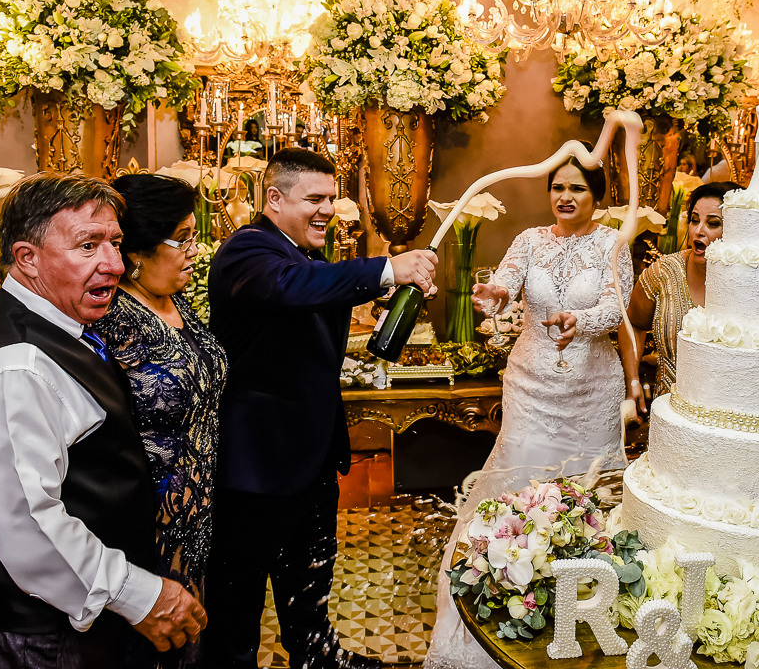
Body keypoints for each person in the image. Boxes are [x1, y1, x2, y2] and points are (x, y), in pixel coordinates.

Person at [0, 172, 206, 668]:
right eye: (88, 246)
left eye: (116, 243)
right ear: (27, 258)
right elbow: (29, 528)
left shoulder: (59, 325)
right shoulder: (12, 365)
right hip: (34, 640)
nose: (114, 264)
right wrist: (140, 595)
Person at [202, 148, 437, 669]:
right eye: (314, 198)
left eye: (332, 198)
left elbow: (309, 311)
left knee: (309, 582)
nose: (328, 209)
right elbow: (289, 290)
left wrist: (379, 305)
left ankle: (317, 656)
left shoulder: (308, 259)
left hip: (310, 459)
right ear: (274, 199)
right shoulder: (248, 249)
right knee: (236, 604)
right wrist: (385, 268)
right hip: (257, 467)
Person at [424, 154, 633, 669]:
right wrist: (493, 295)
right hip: (530, 391)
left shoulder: (613, 245)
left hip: (591, 395)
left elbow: (615, 308)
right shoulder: (528, 240)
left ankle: (580, 617)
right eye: (558, 187)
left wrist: (578, 320)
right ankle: (502, 607)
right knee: (517, 494)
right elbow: (506, 285)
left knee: (586, 501)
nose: (565, 197)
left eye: (578, 188)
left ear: (597, 196)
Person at [93, 174, 228, 669]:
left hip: (199, 509)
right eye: (184, 238)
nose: (195, 249)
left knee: (190, 637)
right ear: (138, 251)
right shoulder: (110, 319)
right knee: (148, 646)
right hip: (147, 518)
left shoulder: (179, 302)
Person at [620, 182, 742, 414]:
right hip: (670, 417)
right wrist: (633, 380)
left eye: (713, 223)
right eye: (694, 220)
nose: (699, 231)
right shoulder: (663, 273)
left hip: (733, 421)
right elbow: (633, 325)